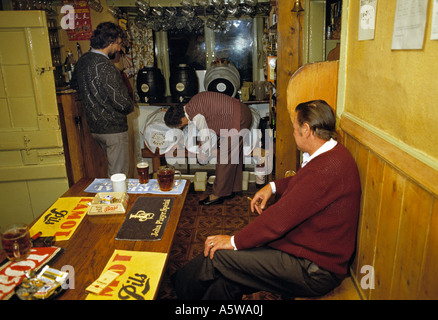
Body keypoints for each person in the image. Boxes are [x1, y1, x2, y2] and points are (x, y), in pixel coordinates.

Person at [171, 100, 361, 299]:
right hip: (310, 254)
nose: (293, 132)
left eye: (295, 128)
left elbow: (278, 221)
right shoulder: (333, 155)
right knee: (230, 278)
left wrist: (234, 241)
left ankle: (177, 293)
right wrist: (272, 186)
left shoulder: (325, 169)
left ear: (306, 129)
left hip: (314, 270)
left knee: (217, 256)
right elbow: (305, 185)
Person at [164, 91, 253, 205]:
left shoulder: (195, 115)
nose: (183, 126)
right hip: (241, 111)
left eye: (180, 125)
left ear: (181, 120)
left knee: (224, 157)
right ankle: (231, 189)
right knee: (233, 155)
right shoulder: (193, 103)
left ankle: (217, 195)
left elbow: (207, 136)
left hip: (239, 118)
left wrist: (203, 154)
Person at [71, 22, 134, 177]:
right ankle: (117, 201)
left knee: (109, 173)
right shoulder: (105, 66)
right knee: (119, 176)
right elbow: (122, 103)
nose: (119, 49)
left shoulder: (83, 61)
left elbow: (75, 86)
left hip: (94, 128)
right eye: (118, 44)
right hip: (113, 129)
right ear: (110, 42)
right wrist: (129, 104)